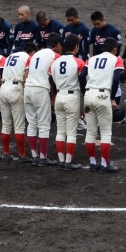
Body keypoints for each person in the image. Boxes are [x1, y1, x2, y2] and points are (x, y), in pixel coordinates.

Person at [81, 37, 124, 173]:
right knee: (105, 132)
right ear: (114, 50)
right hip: (103, 96)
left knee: (90, 132)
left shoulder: (91, 59)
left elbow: (82, 76)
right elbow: (116, 79)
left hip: (88, 95)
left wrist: (85, 93)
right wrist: (112, 98)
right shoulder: (116, 59)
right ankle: (105, 165)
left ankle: (93, 163)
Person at [24, 33, 63, 167]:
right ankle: (43, 157)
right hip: (40, 90)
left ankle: (35, 156)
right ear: (58, 45)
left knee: (32, 123)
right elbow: (54, 79)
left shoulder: (36, 54)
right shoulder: (55, 56)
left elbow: (27, 73)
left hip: (28, 88)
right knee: (44, 124)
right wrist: (53, 98)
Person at [50, 35, 86, 171]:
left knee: (60, 131)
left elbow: (52, 81)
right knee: (71, 132)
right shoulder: (78, 62)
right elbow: (83, 78)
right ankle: (68, 162)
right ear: (76, 47)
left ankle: (61, 161)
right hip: (72, 97)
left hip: (59, 96)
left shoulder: (55, 62)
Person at [0, 43, 38, 163]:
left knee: (6, 124)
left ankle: (6, 153)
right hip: (16, 89)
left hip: (3, 88)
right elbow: (26, 77)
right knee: (19, 125)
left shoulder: (9, 57)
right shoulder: (28, 58)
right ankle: (22, 155)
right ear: (32, 52)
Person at [63, 7, 90, 132]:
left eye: (72, 20)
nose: (70, 22)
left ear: (77, 17)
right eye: (68, 20)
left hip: (80, 61)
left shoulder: (84, 29)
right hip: (70, 61)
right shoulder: (66, 29)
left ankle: (84, 116)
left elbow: (86, 47)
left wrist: (82, 62)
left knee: (83, 88)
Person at [89, 11, 123, 104]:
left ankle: (115, 105)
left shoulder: (114, 30)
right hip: (100, 61)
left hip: (112, 60)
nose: (96, 26)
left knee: (114, 83)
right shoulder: (94, 31)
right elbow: (95, 46)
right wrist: (95, 59)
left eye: (98, 23)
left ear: (103, 20)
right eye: (94, 24)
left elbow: (118, 48)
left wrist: (114, 60)